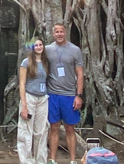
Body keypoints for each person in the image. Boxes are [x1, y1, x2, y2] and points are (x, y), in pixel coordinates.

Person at [45, 23, 84, 164]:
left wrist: (78, 95)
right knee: (54, 127)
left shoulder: (75, 50)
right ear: (53, 33)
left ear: (65, 32)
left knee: (69, 127)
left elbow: (80, 74)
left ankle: (73, 160)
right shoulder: (47, 50)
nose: (59, 34)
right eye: (56, 32)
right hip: (52, 94)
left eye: (61, 31)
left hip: (69, 94)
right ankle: (52, 159)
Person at [18, 38, 50, 164]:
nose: (38, 47)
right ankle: (26, 161)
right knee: (26, 130)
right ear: (32, 47)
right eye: (35, 45)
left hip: (42, 98)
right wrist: (24, 106)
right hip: (29, 97)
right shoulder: (26, 62)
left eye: (40, 44)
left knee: (41, 131)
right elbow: (22, 83)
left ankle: (41, 160)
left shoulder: (45, 62)